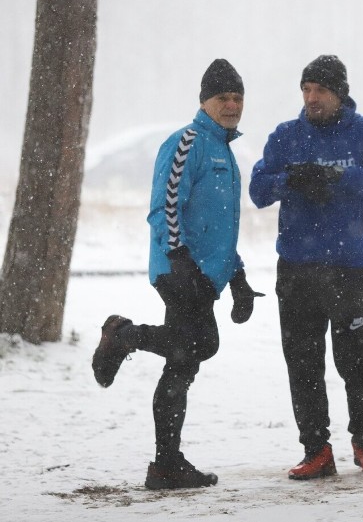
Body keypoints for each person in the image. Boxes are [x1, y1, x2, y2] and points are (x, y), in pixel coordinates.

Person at [92, 58, 262, 489]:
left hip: (206, 274)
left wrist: (237, 279)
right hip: (179, 270)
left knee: (182, 361)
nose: (232, 104)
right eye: (223, 97)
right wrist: (181, 261)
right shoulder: (187, 142)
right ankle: (124, 335)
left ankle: (165, 464)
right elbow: (164, 208)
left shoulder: (225, 150)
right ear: (204, 100)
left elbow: (223, 227)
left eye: (238, 97)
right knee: (199, 345)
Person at [249, 55, 363, 480]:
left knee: (358, 360)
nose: (312, 98)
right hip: (296, 268)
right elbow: (257, 191)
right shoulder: (287, 137)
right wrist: (290, 179)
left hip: (348, 266)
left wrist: (336, 178)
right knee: (303, 361)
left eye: (320, 91)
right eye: (306, 90)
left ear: (339, 93)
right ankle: (316, 450)